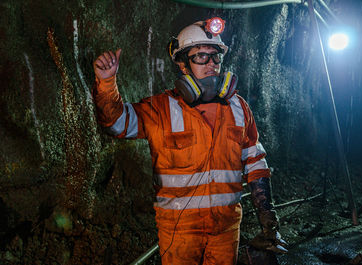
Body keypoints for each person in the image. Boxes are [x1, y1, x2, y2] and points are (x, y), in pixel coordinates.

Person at [93, 17, 287, 265]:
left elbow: (255, 162)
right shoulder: (161, 109)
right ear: (184, 65)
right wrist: (107, 82)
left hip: (226, 229)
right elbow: (116, 123)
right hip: (179, 231)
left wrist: (267, 216)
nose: (211, 64)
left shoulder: (239, 108)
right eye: (201, 57)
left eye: (215, 56)